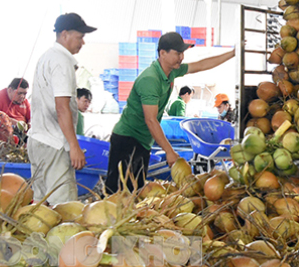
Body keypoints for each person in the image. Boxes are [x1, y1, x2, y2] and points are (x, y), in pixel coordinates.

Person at [106, 33, 235, 193]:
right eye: (177, 53)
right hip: (127, 141)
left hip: (143, 142)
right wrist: (169, 151)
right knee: (118, 194)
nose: (181, 57)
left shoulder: (171, 71)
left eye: (182, 53)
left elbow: (201, 65)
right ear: (162, 53)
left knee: (136, 193)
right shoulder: (150, 79)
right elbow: (151, 120)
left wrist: (233, 53)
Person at [28, 13, 96, 205]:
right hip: (55, 143)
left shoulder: (47, 56)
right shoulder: (62, 61)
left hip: (39, 139)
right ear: (64, 34)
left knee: (42, 205)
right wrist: (74, 146)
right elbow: (62, 107)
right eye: (80, 37)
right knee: (64, 208)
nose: (82, 42)